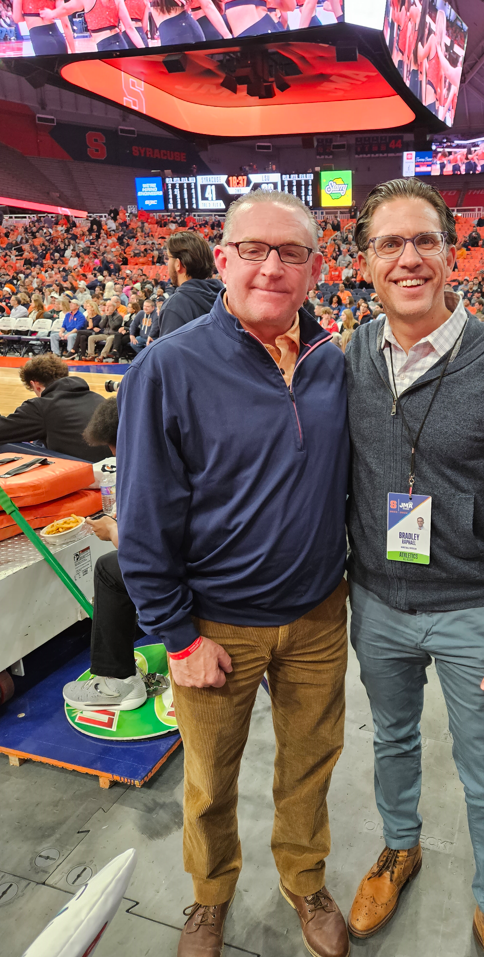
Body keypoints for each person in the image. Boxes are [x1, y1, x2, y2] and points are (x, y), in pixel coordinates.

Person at [116, 190, 350, 957]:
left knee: (309, 768)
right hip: (215, 623)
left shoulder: (332, 365)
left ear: (315, 268)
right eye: (253, 248)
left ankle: (304, 880)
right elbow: (143, 517)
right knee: (210, 780)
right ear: (222, 260)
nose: (271, 266)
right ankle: (209, 896)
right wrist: (178, 637)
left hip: (318, 615)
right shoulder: (168, 366)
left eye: (290, 252)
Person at [344, 179, 484, 957]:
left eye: (423, 241)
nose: (408, 258)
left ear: (449, 252)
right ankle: (399, 846)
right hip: (376, 601)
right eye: (389, 244)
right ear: (365, 261)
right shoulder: (351, 356)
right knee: (392, 740)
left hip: (474, 608)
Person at [61, 399, 148, 710]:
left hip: (208, 573)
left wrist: (113, 532)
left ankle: (117, 683)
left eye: (114, 446)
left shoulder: (149, 469)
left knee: (111, 569)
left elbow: (147, 558)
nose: (114, 454)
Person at [0, 354, 109, 462]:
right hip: (114, 468)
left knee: (6, 446)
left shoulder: (42, 406)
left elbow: (4, 431)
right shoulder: (98, 398)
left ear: (35, 385)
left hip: (82, 472)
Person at [156, 231, 223, 338]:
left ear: (178, 264)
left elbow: (170, 353)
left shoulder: (174, 306)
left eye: (169, 258)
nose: (168, 263)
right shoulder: (225, 296)